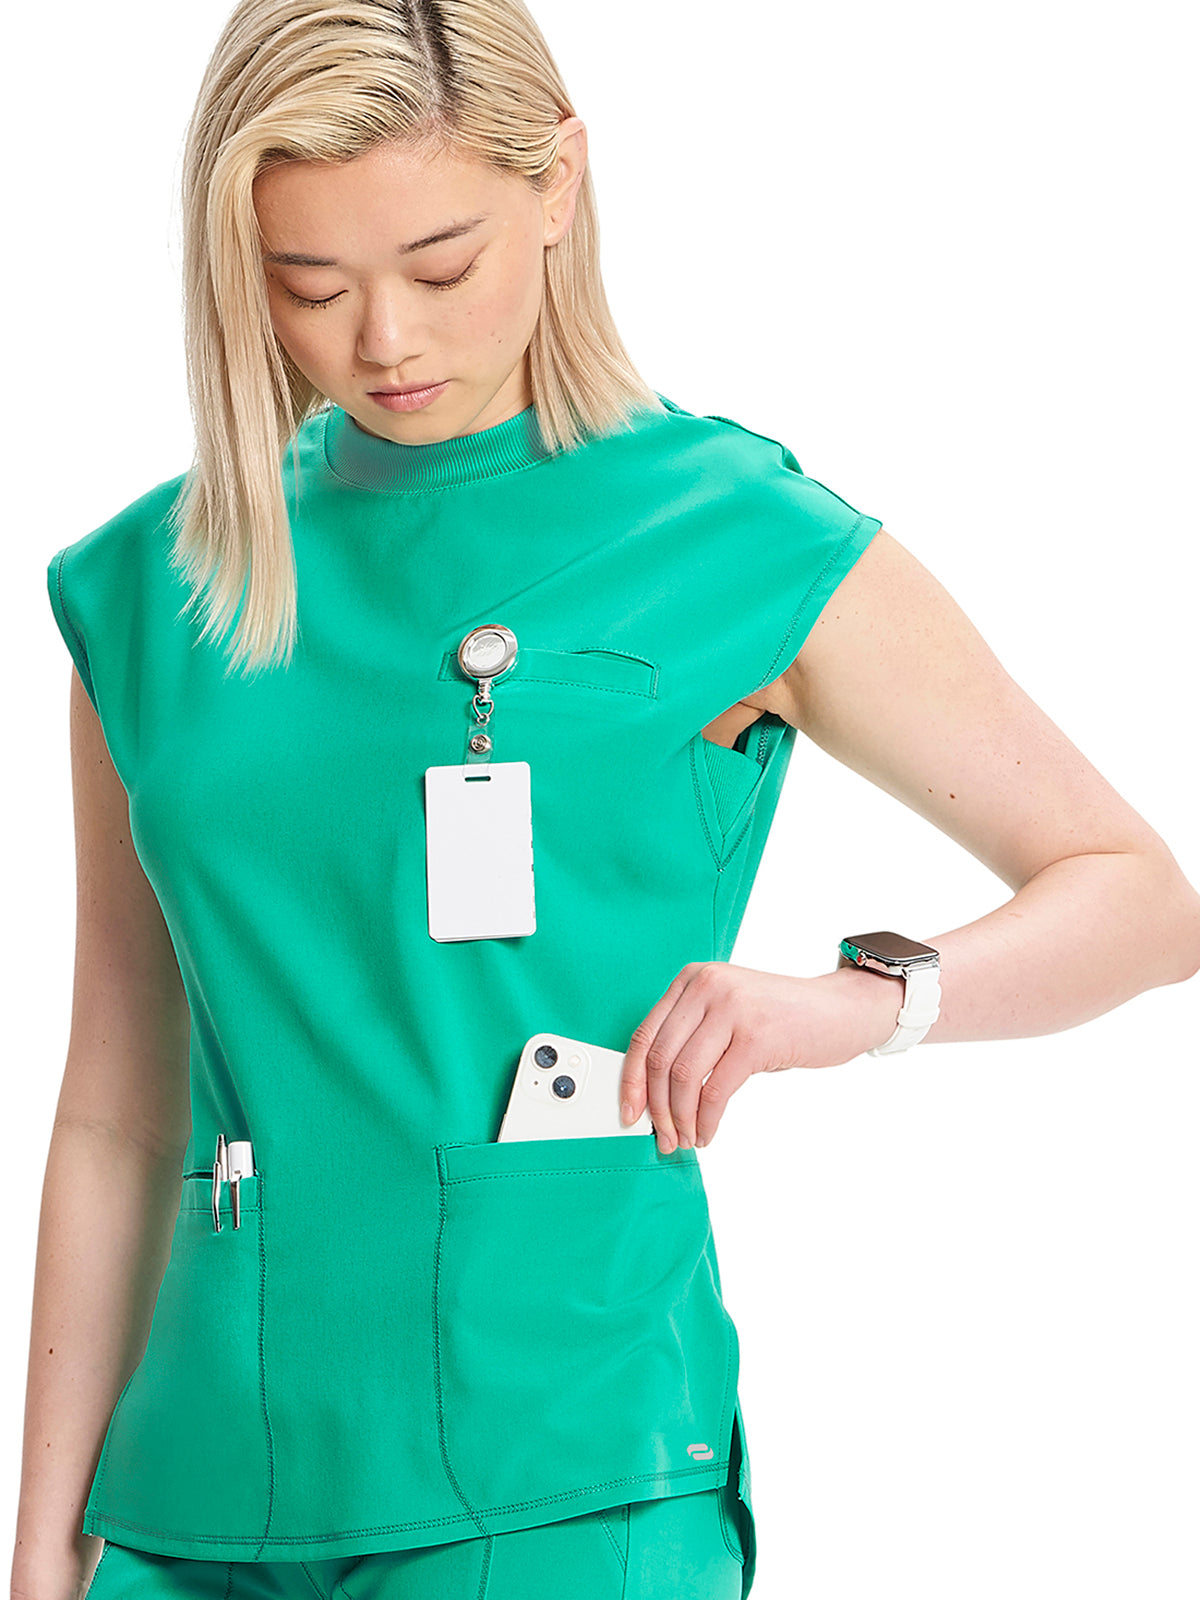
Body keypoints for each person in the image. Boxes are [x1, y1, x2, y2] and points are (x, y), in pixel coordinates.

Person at [14, 2, 1200, 1599]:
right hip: (196, 1496)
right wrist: (47, 1547)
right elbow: (116, 1112)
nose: (385, 340)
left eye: (441, 267)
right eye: (311, 284)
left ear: (559, 183)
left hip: (562, 1476)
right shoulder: (156, 591)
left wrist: (844, 1005)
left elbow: (1137, 893)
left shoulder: (731, 533)